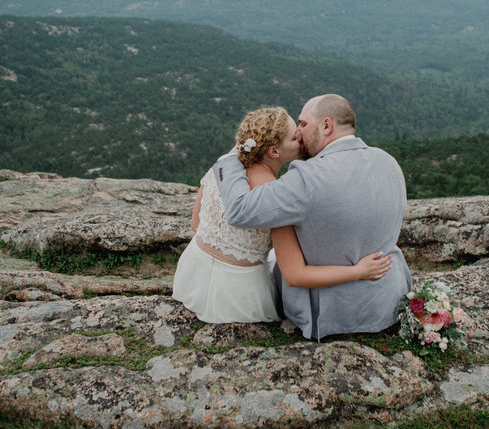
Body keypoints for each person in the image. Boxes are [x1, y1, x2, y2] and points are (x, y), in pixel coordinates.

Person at [214, 94, 413, 340]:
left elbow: (239, 210)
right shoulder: (389, 162)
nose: (298, 132)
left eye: (303, 124)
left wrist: (230, 160)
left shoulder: (306, 178)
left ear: (327, 126)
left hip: (333, 314)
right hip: (388, 303)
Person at [172, 106, 393, 324]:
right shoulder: (276, 197)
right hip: (237, 294)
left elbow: (196, 225)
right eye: (294, 137)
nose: (301, 136)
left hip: (193, 272)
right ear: (273, 152)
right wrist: (358, 271)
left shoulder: (223, 167)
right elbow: (296, 274)